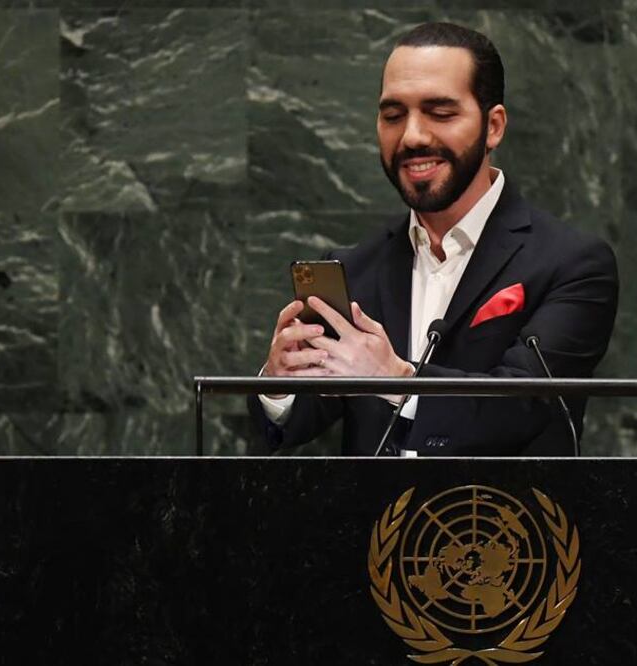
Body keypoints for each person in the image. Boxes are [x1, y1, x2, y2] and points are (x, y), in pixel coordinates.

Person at [247, 22, 618, 456]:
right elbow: (293, 427)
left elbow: (526, 404)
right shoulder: (355, 268)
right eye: (393, 116)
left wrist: (396, 381)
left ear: (493, 127)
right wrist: (279, 384)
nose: (412, 137)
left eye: (440, 113)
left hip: (507, 519)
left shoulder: (573, 264)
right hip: (373, 523)